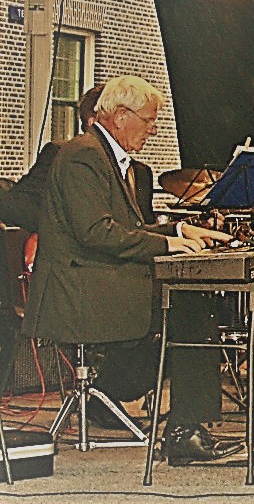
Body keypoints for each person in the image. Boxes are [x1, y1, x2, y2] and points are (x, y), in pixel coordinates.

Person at [23, 75, 237, 465]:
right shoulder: (82, 156)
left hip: (97, 280)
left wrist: (179, 230)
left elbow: (129, 229)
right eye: (149, 120)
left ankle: (139, 403)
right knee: (189, 310)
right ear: (121, 116)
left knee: (188, 310)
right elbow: (96, 232)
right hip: (79, 292)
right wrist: (167, 245)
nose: (153, 129)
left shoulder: (110, 159)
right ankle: (183, 432)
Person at [0, 84, 104, 232]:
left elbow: (23, 205)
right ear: (92, 122)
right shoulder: (62, 154)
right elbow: (25, 204)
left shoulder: (60, 153)